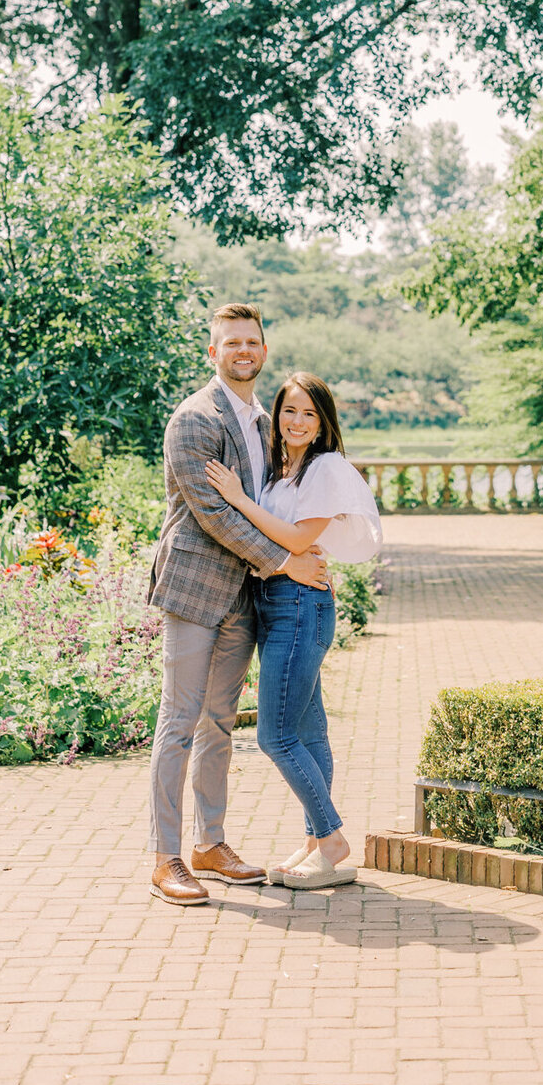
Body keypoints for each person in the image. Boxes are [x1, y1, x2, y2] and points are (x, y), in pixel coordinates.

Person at [146, 306, 330, 908]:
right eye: (231, 343)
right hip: (197, 590)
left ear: (264, 349)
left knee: (219, 725)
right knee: (179, 723)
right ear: (213, 352)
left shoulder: (266, 422)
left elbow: (276, 500)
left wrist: (307, 541)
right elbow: (215, 514)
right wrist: (286, 561)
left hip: (245, 598)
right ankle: (166, 856)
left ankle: (211, 844)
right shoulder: (194, 419)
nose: (243, 350)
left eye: (252, 341)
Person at [204, 371, 382, 890]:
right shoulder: (285, 469)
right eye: (288, 411)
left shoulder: (324, 468)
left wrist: (238, 498)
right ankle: (315, 850)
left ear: (323, 421)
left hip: (301, 606)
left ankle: (330, 838)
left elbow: (298, 539)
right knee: (309, 730)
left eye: (309, 413)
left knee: (275, 735)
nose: (297, 421)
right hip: (278, 602)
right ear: (276, 415)